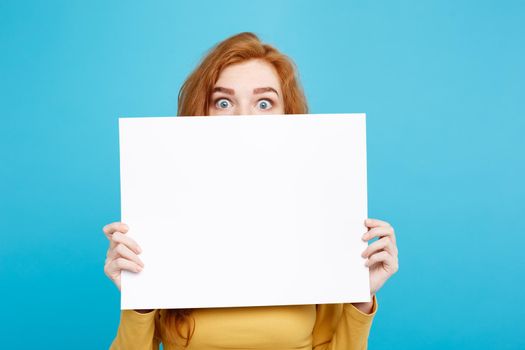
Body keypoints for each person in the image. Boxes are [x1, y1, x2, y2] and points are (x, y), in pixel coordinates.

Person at [104, 32, 399, 350]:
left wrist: (359, 295)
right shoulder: (162, 216)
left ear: (288, 117)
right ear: (200, 114)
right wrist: (139, 295)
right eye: (223, 102)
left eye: (263, 103)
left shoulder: (318, 221)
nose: (244, 118)